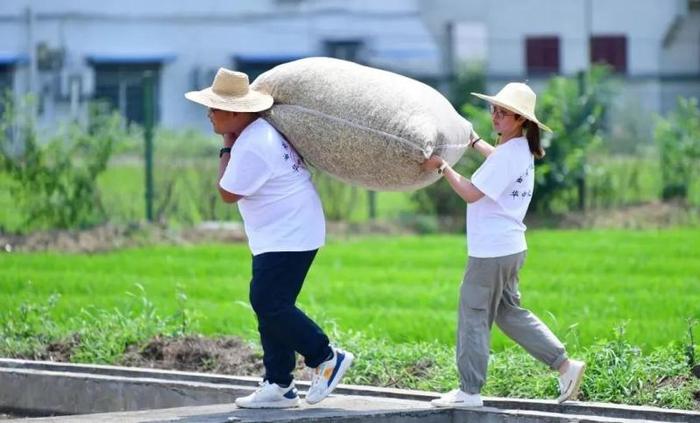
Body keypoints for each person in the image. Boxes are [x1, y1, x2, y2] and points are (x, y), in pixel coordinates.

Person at [185, 68, 353, 409]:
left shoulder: (252, 144)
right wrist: (230, 142)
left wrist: (225, 147)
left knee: (268, 302)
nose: (208, 114)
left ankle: (325, 356)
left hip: (289, 233)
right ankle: (279, 384)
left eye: (213, 108)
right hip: (286, 231)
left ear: (235, 113)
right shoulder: (258, 132)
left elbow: (227, 192)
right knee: (270, 305)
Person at [422, 82, 585, 408]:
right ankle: (565, 366)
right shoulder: (520, 149)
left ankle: (469, 392)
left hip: (490, 254)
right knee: (508, 313)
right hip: (508, 248)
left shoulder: (510, 154)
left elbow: (471, 193)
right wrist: (475, 142)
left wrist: (442, 167)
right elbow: (498, 160)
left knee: (473, 314)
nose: (495, 116)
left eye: (503, 112)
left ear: (520, 119)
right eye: (493, 109)